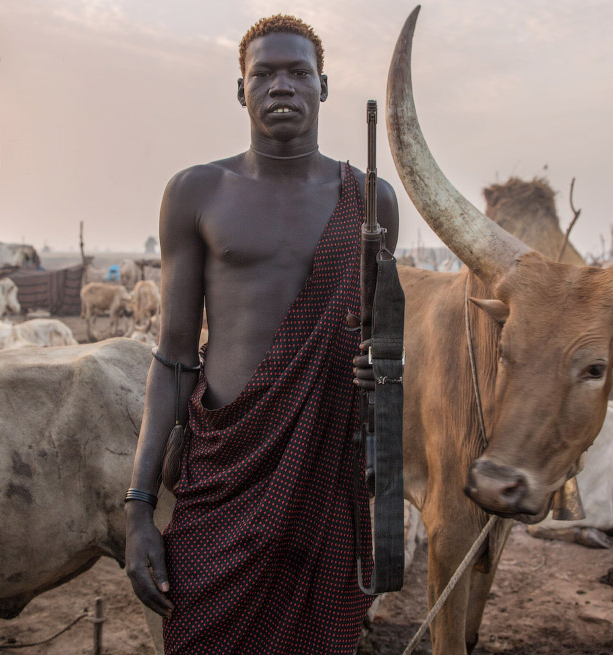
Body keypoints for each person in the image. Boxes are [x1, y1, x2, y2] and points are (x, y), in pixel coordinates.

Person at [124, 14, 399, 654]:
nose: (282, 86)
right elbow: (171, 360)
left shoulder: (371, 200)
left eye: (298, 72)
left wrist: (375, 372)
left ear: (323, 87)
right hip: (223, 472)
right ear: (240, 91)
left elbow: (383, 350)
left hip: (324, 478)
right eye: (264, 73)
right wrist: (138, 507)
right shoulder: (197, 192)